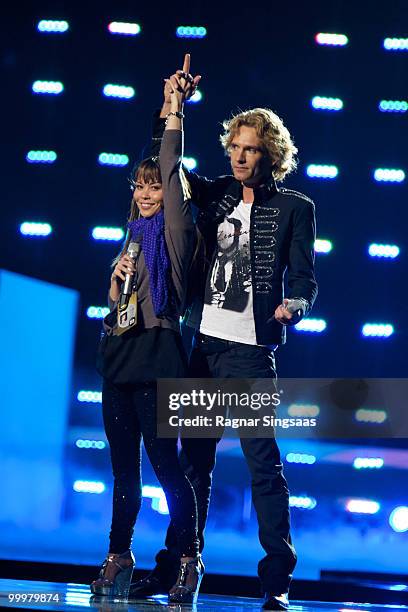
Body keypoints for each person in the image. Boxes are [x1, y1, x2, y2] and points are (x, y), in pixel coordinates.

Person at [130, 62, 318, 611]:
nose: (239, 156)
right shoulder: (212, 194)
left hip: (250, 354)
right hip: (202, 348)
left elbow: (305, 276)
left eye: (251, 149)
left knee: (262, 462)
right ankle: (177, 567)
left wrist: (296, 305)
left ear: (272, 155)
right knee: (192, 466)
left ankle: (277, 577)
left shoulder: (295, 209)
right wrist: (173, 108)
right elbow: (165, 168)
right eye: (235, 146)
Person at [91, 59, 204, 604]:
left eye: (153, 187)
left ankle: (188, 559)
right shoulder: (132, 234)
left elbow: (168, 157)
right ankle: (119, 554)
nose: (145, 194)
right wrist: (114, 289)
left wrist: (173, 110)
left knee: (166, 470)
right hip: (119, 354)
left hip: (160, 356)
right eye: (138, 186)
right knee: (123, 474)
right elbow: (117, 308)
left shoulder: (178, 231)